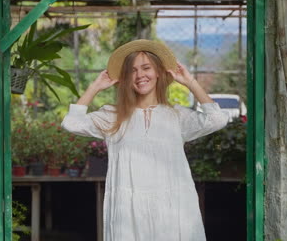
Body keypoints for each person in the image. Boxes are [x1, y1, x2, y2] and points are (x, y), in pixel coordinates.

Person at [61, 39, 229, 241]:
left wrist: (190, 82)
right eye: (132, 71)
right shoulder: (113, 116)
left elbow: (217, 119)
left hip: (173, 210)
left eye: (146, 68)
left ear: (158, 72)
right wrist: (96, 86)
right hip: (128, 215)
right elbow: (71, 123)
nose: (140, 75)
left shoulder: (176, 116)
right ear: (125, 78)